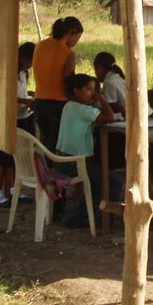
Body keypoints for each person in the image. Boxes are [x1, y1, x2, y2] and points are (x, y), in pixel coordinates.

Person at [55, 73, 120, 228]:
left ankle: (75, 217)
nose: (93, 93)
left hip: (63, 160)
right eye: (89, 89)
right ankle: (100, 220)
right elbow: (110, 117)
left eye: (94, 90)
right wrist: (102, 98)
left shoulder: (69, 106)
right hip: (73, 163)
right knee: (114, 182)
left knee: (99, 183)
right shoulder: (82, 110)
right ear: (76, 91)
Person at [0, 42, 36, 207]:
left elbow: (20, 91)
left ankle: (14, 189)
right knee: (3, 158)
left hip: (22, 118)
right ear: (21, 57)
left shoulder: (23, 74)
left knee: (17, 158)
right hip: (8, 119)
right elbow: (7, 96)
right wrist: (24, 100)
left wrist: (29, 94)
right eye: (29, 62)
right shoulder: (9, 73)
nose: (30, 66)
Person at [33, 16, 83, 150]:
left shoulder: (40, 45)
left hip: (38, 102)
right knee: (56, 148)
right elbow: (68, 81)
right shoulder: (68, 53)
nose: (76, 42)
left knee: (45, 145)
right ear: (72, 32)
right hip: (58, 105)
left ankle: (44, 169)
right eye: (77, 37)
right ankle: (53, 170)